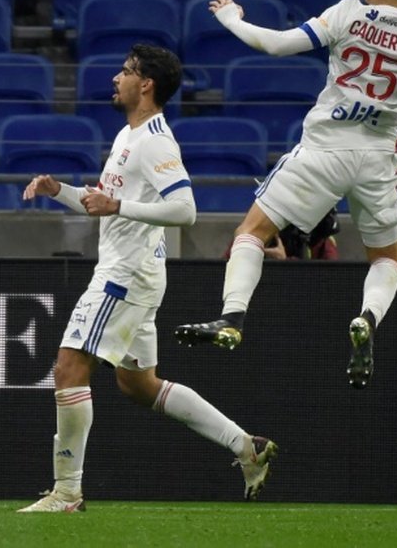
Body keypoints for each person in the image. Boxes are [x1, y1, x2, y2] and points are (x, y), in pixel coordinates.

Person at [174, 0, 397, 389]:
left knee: (250, 233)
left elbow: (279, 44)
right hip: (377, 160)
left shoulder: (347, 13)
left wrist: (232, 19)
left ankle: (231, 318)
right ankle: (366, 318)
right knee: (386, 259)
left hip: (323, 149)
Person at [18, 44, 277, 513]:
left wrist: (116, 205)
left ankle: (67, 492)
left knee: (68, 368)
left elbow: (185, 210)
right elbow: (107, 204)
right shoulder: (128, 135)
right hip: (137, 270)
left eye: (125, 71)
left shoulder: (155, 141)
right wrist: (61, 191)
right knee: (138, 384)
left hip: (125, 275)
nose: (116, 77)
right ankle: (246, 446)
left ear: (147, 84)